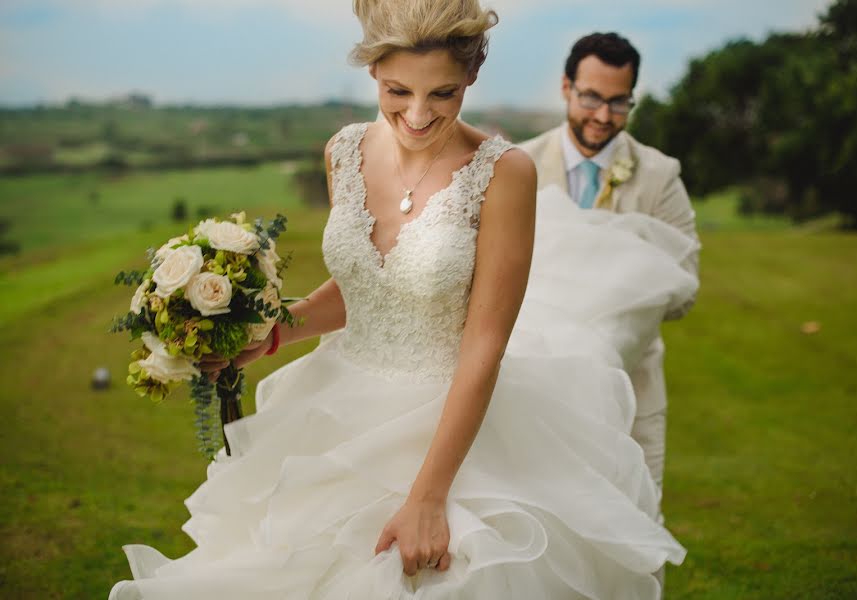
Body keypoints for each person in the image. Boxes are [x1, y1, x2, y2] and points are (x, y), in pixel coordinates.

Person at [109, 3, 696, 599]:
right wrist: (275, 332)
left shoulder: (505, 174)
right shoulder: (344, 151)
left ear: (472, 75)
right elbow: (367, 289)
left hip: (450, 420)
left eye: (442, 93)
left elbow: (485, 343)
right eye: (397, 91)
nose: (417, 115)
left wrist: (428, 498)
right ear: (372, 73)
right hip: (337, 408)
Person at [521, 32, 700, 504]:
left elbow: (686, 290)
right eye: (592, 98)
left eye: (619, 103)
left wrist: (620, 285)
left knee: (636, 527)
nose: (603, 117)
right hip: (530, 394)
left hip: (631, 395)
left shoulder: (660, 175)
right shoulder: (518, 166)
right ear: (566, 87)